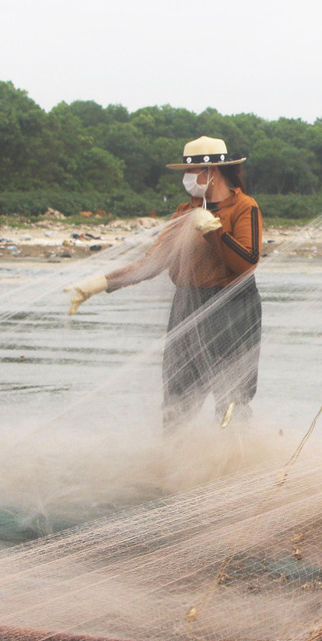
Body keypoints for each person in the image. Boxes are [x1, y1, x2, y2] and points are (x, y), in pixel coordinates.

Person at [66, 137, 262, 429]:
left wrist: (213, 231)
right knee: (177, 395)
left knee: (233, 396)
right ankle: (171, 465)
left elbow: (246, 263)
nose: (188, 179)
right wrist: (100, 284)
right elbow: (152, 263)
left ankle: (235, 464)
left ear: (213, 172)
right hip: (188, 304)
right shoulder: (185, 213)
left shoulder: (244, 207)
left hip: (233, 306)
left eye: (192, 172)